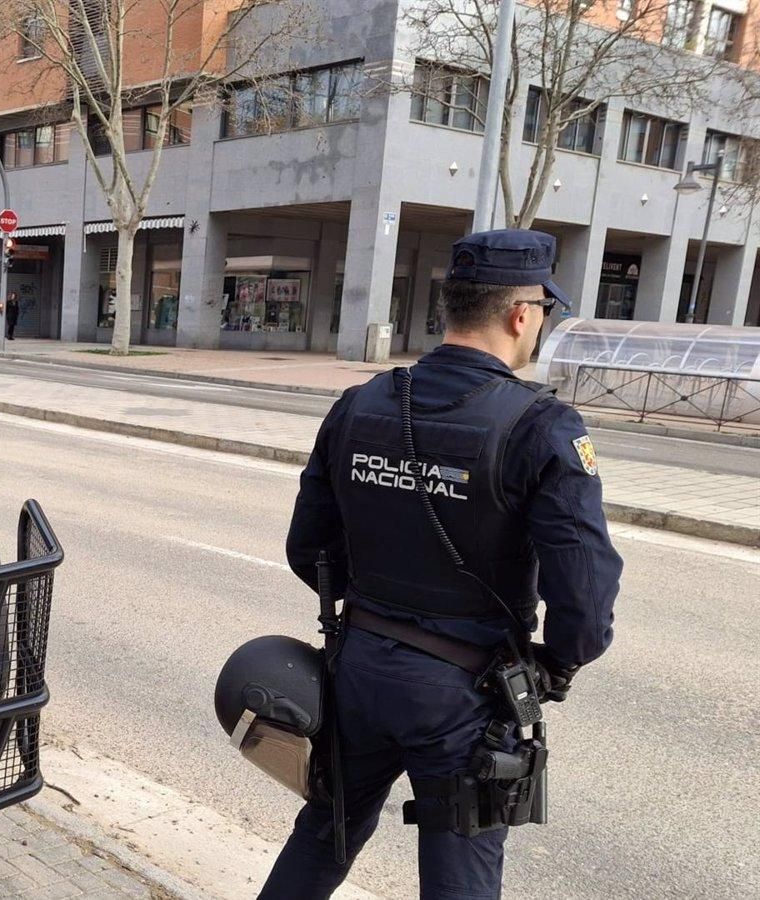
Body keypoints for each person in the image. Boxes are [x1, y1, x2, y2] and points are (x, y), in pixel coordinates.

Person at [265, 229, 623, 900]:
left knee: (324, 835)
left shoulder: (360, 404)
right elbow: (585, 588)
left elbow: (308, 549)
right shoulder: (543, 428)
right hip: (468, 695)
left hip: (360, 670)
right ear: (523, 314)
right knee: (460, 877)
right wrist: (561, 661)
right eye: (544, 313)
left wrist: (373, 612)